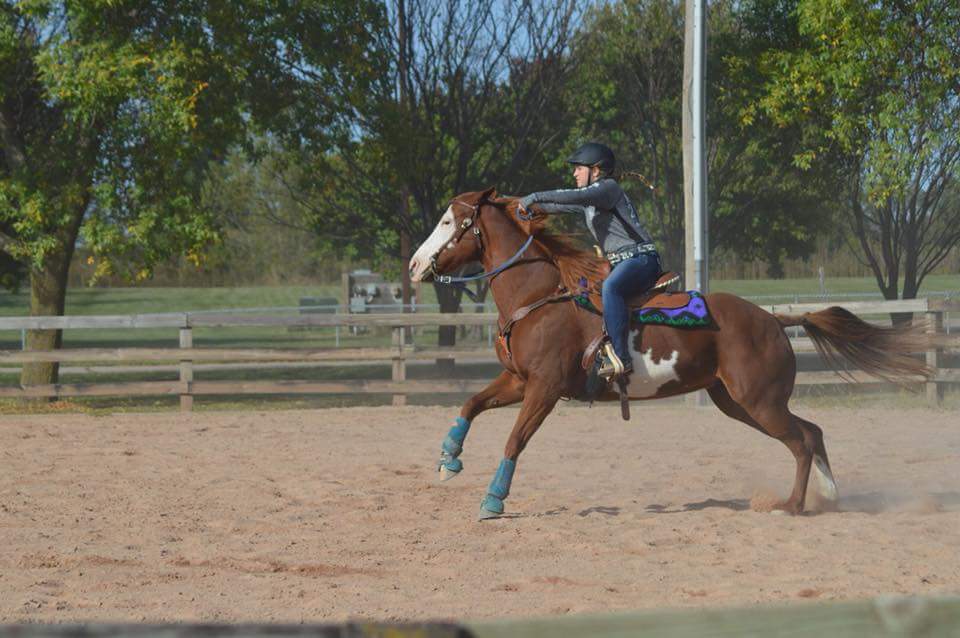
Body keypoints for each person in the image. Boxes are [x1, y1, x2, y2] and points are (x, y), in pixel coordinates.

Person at [519, 142, 661, 379]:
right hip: (621, 263)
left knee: (611, 288)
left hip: (642, 259)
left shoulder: (608, 189)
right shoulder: (592, 202)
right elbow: (556, 205)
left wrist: (532, 196)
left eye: (579, 168)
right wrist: (519, 205)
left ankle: (620, 358)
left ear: (596, 170)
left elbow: (572, 196)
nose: (574, 174)